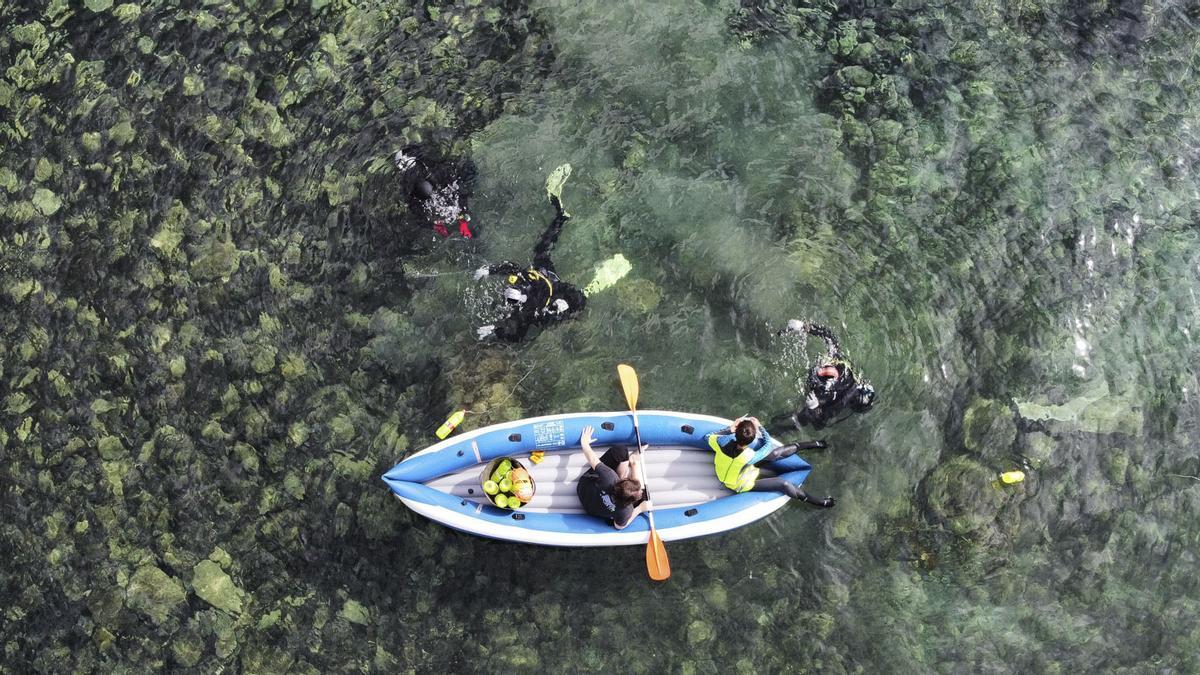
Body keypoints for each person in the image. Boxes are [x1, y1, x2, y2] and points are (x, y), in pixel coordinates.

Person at [474, 169, 585, 341]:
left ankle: (560, 216)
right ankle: (560, 216)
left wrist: (567, 305)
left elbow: (518, 336)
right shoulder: (521, 287)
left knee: (543, 250)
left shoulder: (532, 310)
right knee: (541, 252)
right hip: (542, 273)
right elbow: (512, 268)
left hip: (550, 283)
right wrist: (490, 270)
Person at [706, 417, 834, 507]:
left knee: (775, 456)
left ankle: (814, 444)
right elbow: (767, 445)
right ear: (750, 442)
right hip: (739, 484)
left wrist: (730, 429)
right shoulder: (749, 455)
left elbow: (708, 436)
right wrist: (760, 426)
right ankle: (819, 502)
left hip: (737, 470)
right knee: (783, 483)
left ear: (736, 432)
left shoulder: (720, 442)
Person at [776, 320, 876, 430]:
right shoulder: (838, 363)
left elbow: (820, 424)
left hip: (821, 395)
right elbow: (828, 336)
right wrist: (804, 327)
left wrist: (814, 408)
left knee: (803, 419)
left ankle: (779, 428)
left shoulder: (836, 399)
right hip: (827, 384)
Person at [575, 425, 653, 529]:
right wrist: (639, 509)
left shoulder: (609, 478)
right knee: (643, 498)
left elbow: (593, 460)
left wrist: (584, 443)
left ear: (622, 480)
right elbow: (619, 526)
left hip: (583, 488)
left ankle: (634, 462)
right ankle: (634, 461)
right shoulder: (626, 511)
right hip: (590, 509)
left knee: (621, 451)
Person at [394, 145, 476, 238]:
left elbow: (415, 210)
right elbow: (417, 216)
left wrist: (461, 220)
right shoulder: (412, 191)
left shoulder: (410, 185)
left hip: (437, 182)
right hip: (437, 180)